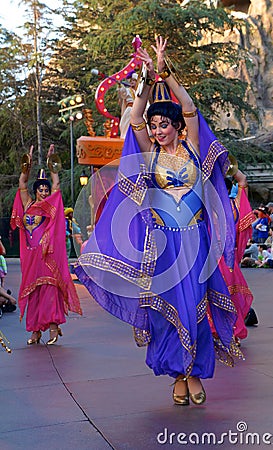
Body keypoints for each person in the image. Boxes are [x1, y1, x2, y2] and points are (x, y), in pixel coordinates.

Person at [75, 36, 241, 406]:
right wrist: (147, 80)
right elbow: (135, 118)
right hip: (164, 245)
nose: (157, 130)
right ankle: (178, 375)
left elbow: (191, 107)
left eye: (164, 124)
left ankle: (193, 372)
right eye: (154, 126)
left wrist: (167, 71)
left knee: (195, 308)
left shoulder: (194, 149)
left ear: (177, 127)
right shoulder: (150, 156)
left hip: (194, 241)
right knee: (167, 312)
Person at [10, 144, 82, 345]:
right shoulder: (28, 205)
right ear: (35, 191)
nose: (43, 191)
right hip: (31, 258)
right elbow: (22, 182)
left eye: (46, 189)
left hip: (47, 258)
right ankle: (35, 331)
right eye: (40, 189)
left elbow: (56, 185)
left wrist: (53, 166)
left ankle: (52, 328)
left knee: (49, 291)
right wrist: (27, 164)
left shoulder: (50, 207)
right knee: (33, 294)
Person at [219, 174, 255, 344]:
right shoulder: (208, 206)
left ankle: (228, 331)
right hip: (218, 260)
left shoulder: (230, 207)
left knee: (224, 294)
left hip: (221, 260)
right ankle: (224, 332)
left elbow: (242, 182)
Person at [117, 71, 139, 138]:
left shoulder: (139, 91)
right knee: (126, 124)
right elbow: (123, 93)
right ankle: (126, 137)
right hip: (130, 110)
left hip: (139, 111)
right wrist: (120, 85)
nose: (132, 82)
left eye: (134, 80)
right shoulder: (128, 90)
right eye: (131, 80)